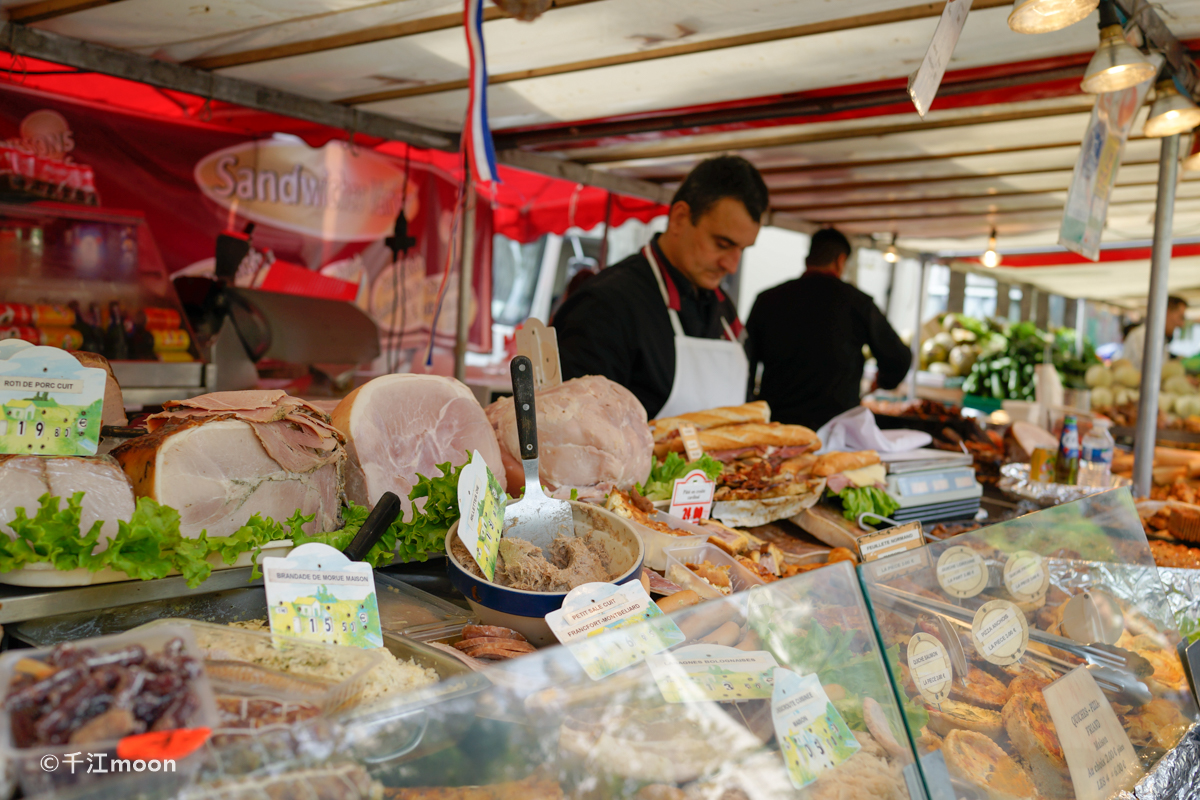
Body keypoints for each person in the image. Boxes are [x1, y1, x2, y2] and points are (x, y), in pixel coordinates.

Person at [554, 155, 768, 418]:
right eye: (722, 244)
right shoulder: (606, 303)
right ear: (679, 218)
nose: (732, 265)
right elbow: (574, 429)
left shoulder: (725, 312)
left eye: (742, 250)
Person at [744, 228, 912, 429]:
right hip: (836, 427)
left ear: (808, 259)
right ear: (840, 261)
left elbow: (745, 363)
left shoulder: (767, 300)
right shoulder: (857, 303)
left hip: (777, 426)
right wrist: (883, 381)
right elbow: (899, 358)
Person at [1123, 296, 1188, 372]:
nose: (1181, 324)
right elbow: (1148, 373)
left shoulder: (1159, 339)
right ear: (1166, 312)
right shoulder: (1144, 337)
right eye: (1180, 317)